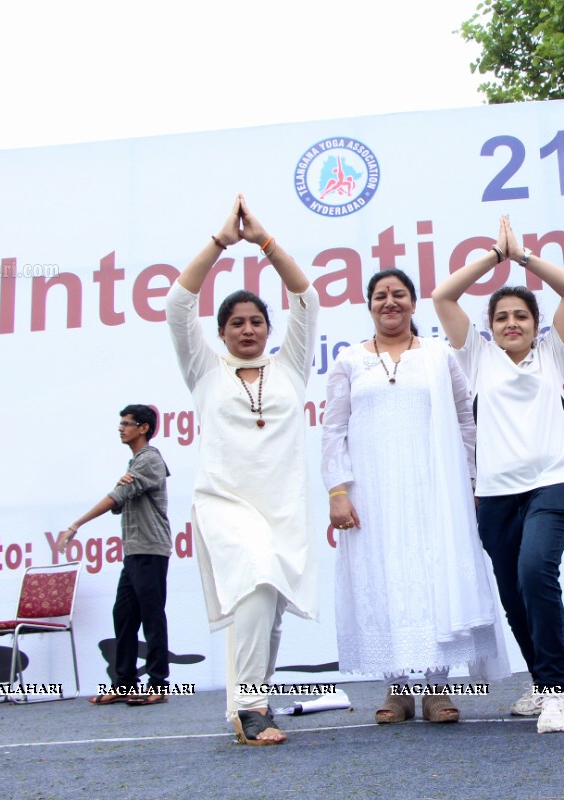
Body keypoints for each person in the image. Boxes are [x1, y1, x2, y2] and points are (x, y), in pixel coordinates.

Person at [322, 267, 507, 725]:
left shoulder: (439, 356)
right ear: (369, 306)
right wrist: (337, 491)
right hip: (373, 493)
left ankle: (436, 690)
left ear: (412, 303)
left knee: (432, 576)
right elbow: (332, 431)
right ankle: (397, 690)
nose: (390, 302)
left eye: (399, 294)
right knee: (384, 576)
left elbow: (466, 420)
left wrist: (470, 481)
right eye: (381, 295)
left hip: (433, 488)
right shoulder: (348, 361)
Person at [165, 195, 319, 745]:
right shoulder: (205, 371)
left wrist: (267, 243)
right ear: (223, 332)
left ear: (268, 327)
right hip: (225, 503)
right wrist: (221, 243)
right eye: (236, 323)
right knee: (255, 583)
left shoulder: (290, 368)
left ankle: (246, 702)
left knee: (267, 610)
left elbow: (306, 297)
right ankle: (252, 708)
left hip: (281, 506)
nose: (247, 329)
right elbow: (178, 305)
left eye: (256, 321)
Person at [431, 216, 564, 733]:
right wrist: (493, 258)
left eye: (521, 316)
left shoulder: (553, 354)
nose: (512, 324)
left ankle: (559, 694)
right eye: (502, 318)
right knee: (515, 590)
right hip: (495, 495)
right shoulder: (477, 358)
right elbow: (443, 297)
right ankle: (542, 684)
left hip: (552, 483)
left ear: (537, 323)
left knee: (537, 569)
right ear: (490, 327)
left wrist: (523, 258)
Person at [59, 404, 172, 706]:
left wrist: (76, 524)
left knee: (151, 616)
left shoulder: (149, 460)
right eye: (120, 423)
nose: (121, 428)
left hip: (150, 549)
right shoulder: (134, 463)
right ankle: (124, 683)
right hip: (134, 551)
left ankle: (158, 683)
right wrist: (122, 483)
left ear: (143, 428)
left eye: (127, 423)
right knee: (123, 615)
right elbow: (121, 500)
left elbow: (116, 498)